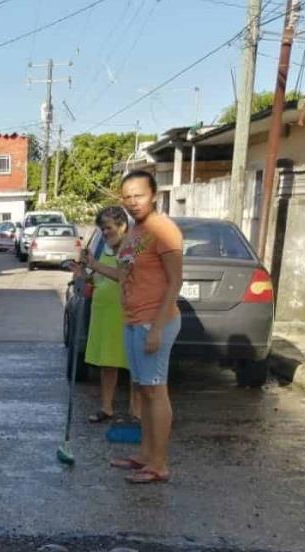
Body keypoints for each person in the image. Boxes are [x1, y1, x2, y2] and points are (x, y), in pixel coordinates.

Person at [87, 171, 183, 484]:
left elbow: (175, 281)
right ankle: (144, 454)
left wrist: (156, 328)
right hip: (133, 320)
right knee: (143, 388)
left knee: (155, 391)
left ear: (153, 195)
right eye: (127, 196)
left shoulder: (163, 229)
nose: (133, 201)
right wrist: (92, 264)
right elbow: (122, 276)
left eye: (138, 195)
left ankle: (159, 464)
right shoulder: (136, 232)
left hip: (154, 320)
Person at [77, 206, 140, 425]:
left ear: (123, 226)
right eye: (102, 229)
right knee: (107, 362)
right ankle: (106, 407)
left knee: (133, 363)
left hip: (125, 313)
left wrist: (96, 265)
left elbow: (122, 276)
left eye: (108, 228)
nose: (105, 233)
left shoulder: (131, 247)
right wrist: (83, 273)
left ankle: (135, 411)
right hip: (104, 312)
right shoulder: (105, 247)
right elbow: (96, 278)